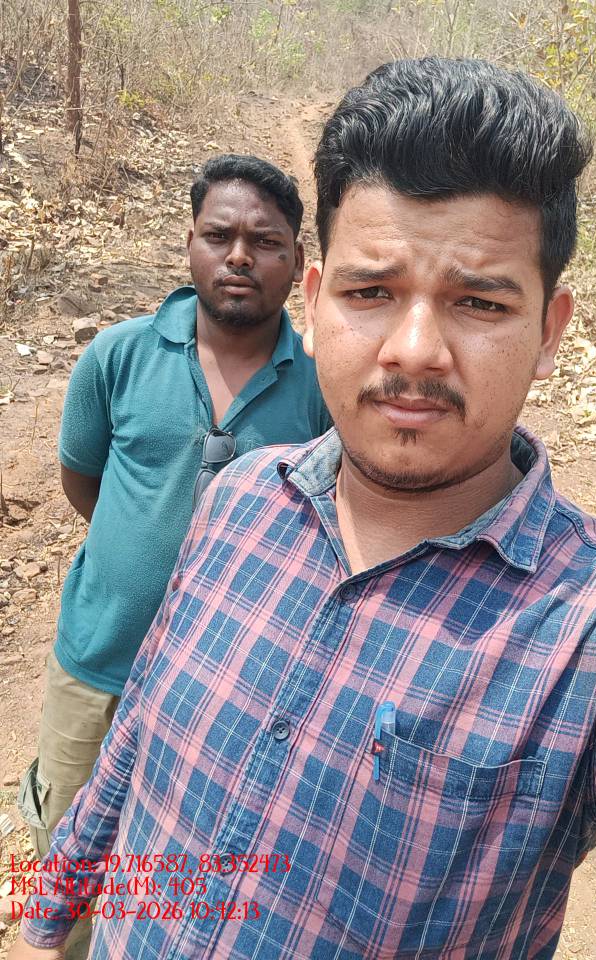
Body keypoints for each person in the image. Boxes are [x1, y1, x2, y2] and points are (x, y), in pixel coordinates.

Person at [10, 58, 596, 960]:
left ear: (548, 331)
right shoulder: (236, 503)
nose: (415, 350)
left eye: (478, 301)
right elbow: (134, 741)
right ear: (314, 306)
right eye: (370, 292)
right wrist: (45, 927)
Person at [15, 154, 331, 958]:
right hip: (98, 661)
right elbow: (84, 482)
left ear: (299, 260)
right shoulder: (117, 357)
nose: (239, 256)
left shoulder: (323, 387)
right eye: (219, 236)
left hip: (234, 689)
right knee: (67, 856)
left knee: (187, 874)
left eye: (265, 242)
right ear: (189, 242)